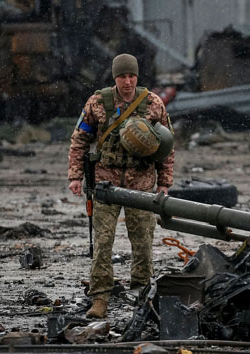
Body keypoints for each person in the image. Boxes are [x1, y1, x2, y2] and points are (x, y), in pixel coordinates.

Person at [67, 54, 174, 318]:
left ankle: (142, 293)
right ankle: (100, 298)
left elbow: (167, 147)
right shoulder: (98, 102)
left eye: (131, 76)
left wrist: (164, 183)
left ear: (137, 77)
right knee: (103, 243)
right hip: (105, 183)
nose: (127, 81)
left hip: (141, 183)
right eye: (122, 76)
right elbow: (79, 140)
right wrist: (75, 176)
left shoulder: (153, 103)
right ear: (114, 78)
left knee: (143, 243)